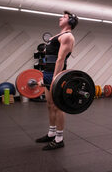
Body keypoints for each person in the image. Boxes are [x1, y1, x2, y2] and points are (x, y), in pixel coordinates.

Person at [35, 11, 78, 150]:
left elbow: (60, 59)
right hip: (47, 73)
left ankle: (59, 139)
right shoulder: (58, 36)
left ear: (70, 21)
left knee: (58, 106)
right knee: (49, 105)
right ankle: (51, 133)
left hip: (56, 75)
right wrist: (45, 76)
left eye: (64, 17)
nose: (60, 18)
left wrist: (55, 78)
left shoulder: (67, 36)